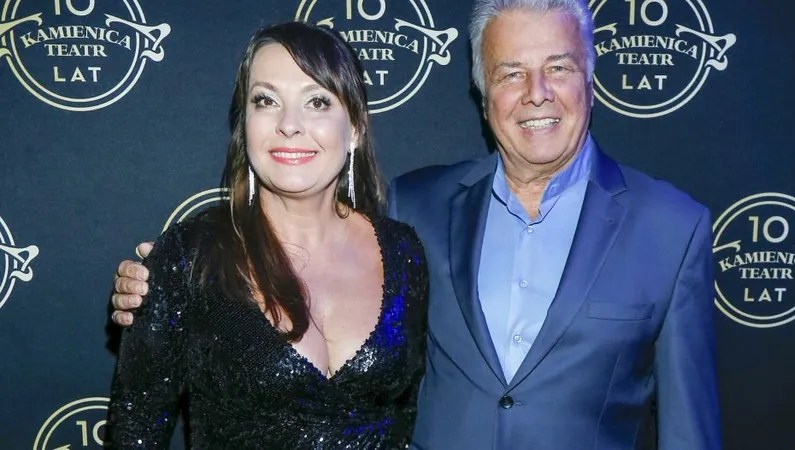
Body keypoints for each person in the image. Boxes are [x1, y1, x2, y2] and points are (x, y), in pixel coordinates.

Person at [111, 0, 720, 448]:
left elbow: (688, 431)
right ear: (482, 92)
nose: (536, 92)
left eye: (558, 67)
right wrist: (152, 288)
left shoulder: (673, 229)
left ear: (589, 75)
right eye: (510, 72)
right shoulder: (419, 207)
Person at [105, 21, 428, 449]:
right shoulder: (188, 258)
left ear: (355, 128)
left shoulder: (403, 252)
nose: (289, 124)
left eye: (317, 101)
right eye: (266, 100)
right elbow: (134, 435)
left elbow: (408, 416)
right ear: (245, 123)